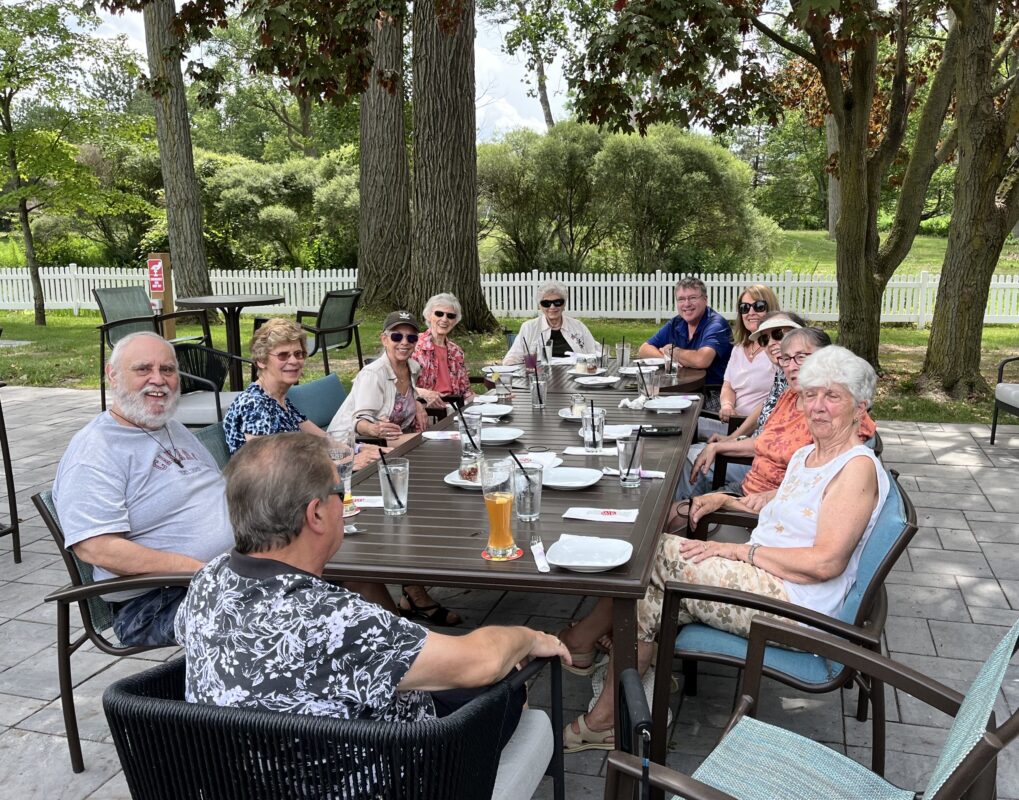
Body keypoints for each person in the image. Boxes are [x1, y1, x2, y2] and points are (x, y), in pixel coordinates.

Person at [559, 346, 889, 751]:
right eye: (809, 395)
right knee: (655, 573)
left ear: (861, 406)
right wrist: (723, 500)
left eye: (832, 396)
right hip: (769, 581)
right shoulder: (808, 454)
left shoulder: (855, 468)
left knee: (654, 557)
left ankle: (604, 683)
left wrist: (740, 553)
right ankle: (619, 695)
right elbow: (780, 503)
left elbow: (824, 563)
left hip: (796, 607)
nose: (817, 407)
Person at [175, 432, 571, 743]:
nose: (343, 501)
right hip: (382, 771)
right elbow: (480, 662)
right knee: (506, 681)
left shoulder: (208, 579)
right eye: (339, 491)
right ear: (316, 513)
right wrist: (527, 636)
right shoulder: (333, 618)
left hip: (238, 769)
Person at [53, 332, 233, 646]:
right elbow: (96, 547)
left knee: (330, 581)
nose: (158, 380)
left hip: (223, 571)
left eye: (168, 370)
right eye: (143, 369)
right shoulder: (96, 450)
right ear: (112, 375)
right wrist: (199, 571)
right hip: (154, 602)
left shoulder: (172, 428)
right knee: (281, 615)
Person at [683, 311, 804, 494]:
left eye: (778, 334)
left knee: (688, 461)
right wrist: (731, 437)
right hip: (749, 442)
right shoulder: (783, 372)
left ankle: (679, 514)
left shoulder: (804, 386)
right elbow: (764, 407)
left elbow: (774, 445)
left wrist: (724, 445)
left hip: (761, 467)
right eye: (764, 339)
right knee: (685, 451)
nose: (771, 343)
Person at [223, 318, 326, 455]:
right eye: (283, 355)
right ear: (261, 360)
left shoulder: (280, 401)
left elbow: (324, 439)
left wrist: (355, 450)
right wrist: (337, 462)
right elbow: (270, 465)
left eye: (298, 354)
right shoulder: (253, 404)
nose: (294, 361)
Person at [329, 310, 430, 444]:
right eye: (397, 337)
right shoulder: (373, 374)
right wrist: (374, 428)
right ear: (384, 339)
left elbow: (405, 398)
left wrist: (417, 402)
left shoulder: (413, 367)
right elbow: (359, 422)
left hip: (391, 440)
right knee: (429, 441)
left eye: (411, 338)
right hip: (354, 443)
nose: (405, 342)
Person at [702, 284, 781, 438]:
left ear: (770, 309)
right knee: (683, 426)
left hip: (756, 429)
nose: (750, 312)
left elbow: (774, 401)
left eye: (758, 306)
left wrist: (732, 438)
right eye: (744, 307)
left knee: (689, 441)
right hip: (732, 422)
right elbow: (728, 386)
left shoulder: (777, 350)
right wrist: (727, 405)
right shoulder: (739, 348)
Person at [637, 277, 733, 392]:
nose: (687, 304)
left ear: (705, 300)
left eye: (692, 298)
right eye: (681, 299)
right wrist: (668, 359)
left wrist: (673, 352)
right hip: (680, 389)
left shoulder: (716, 324)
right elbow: (644, 349)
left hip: (711, 394)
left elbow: (702, 360)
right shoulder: (676, 322)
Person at [503, 281, 600, 364]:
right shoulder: (529, 327)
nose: (552, 307)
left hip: (575, 378)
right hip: (541, 378)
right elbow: (512, 358)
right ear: (540, 306)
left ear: (564, 304)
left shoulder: (578, 326)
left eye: (557, 302)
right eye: (546, 303)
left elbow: (597, 352)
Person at [413, 293, 475, 408]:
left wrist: (494, 399)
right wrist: (424, 393)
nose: (444, 319)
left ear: (455, 320)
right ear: (428, 315)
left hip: (456, 409)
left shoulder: (456, 351)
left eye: (450, 316)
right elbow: (397, 386)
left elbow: (465, 392)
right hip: (427, 411)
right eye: (439, 313)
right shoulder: (414, 346)